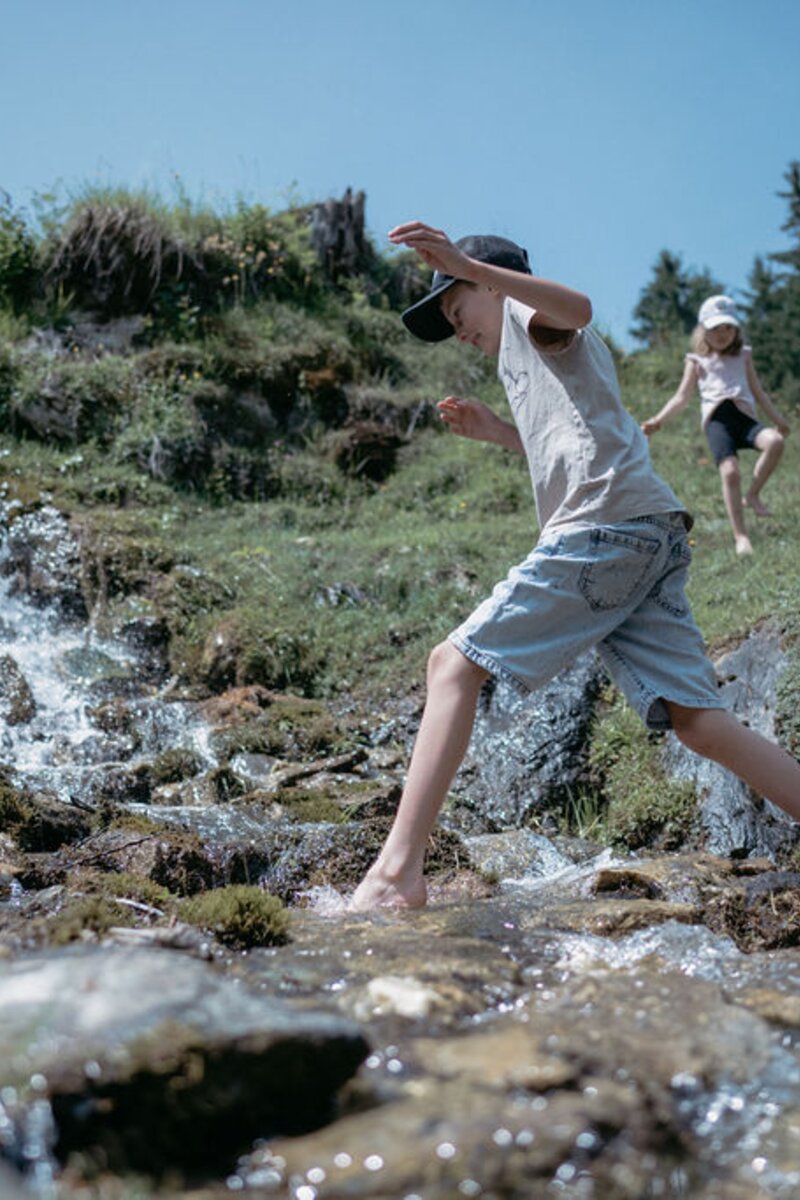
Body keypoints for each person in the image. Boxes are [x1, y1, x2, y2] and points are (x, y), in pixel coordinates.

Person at [349, 222, 800, 912]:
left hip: (605, 531)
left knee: (451, 665)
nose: (457, 327)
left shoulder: (534, 318)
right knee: (698, 722)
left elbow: (579, 310)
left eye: (455, 306)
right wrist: (498, 432)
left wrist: (475, 266)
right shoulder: (522, 360)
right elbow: (572, 440)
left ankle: (394, 875)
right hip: (645, 533)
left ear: (488, 281)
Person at [641, 295, 790, 557]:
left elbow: (759, 392)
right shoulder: (696, 361)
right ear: (703, 330)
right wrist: (657, 421)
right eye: (715, 329)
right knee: (730, 472)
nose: (722, 334)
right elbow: (682, 397)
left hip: (744, 419)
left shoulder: (743, 356)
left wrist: (778, 420)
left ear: (736, 330)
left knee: (775, 442)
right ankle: (741, 536)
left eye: (728, 328)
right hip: (717, 422)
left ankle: (753, 495)